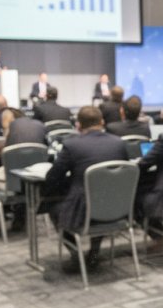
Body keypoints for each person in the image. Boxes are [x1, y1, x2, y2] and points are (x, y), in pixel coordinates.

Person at [44, 106, 129, 273]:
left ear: (78, 125)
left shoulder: (72, 145)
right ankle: (94, 252)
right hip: (114, 206)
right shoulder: (118, 143)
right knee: (98, 201)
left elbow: (53, 176)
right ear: (102, 122)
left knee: (54, 209)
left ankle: (76, 254)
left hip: (83, 210)